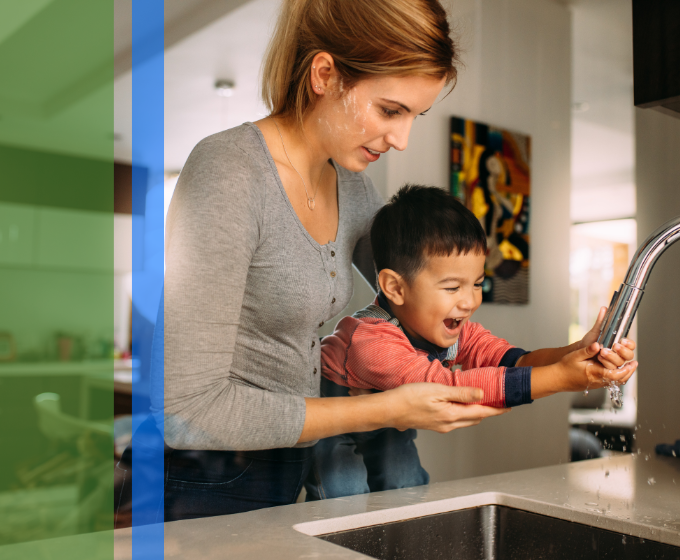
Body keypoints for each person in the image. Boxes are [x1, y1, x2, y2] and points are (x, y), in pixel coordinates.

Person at [146, 0, 509, 522]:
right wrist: (383, 410)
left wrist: (555, 362)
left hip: (285, 468)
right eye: (390, 110)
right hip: (196, 483)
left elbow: (426, 294)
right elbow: (183, 413)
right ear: (324, 74)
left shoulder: (355, 190)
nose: (402, 140)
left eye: (415, 115)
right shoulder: (230, 172)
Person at [309, 185, 637, 499]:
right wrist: (561, 378)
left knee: (406, 487)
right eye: (453, 288)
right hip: (334, 421)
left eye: (477, 284)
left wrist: (578, 351)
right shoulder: (370, 340)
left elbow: (514, 361)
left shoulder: (456, 330)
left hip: (393, 415)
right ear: (395, 288)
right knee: (343, 495)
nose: (469, 302)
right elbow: (445, 388)